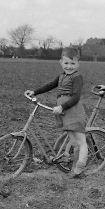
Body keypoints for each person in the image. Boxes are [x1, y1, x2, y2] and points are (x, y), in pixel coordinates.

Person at [25, 47, 87, 178]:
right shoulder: (61, 76)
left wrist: (62, 107)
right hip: (64, 112)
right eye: (66, 63)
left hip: (73, 111)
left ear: (78, 64)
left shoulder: (77, 77)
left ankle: (80, 169)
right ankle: (74, 168)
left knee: (81, 142)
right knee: (74, 144)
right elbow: (50, 85)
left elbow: (76, 97)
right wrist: (34, 92)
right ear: (60, 62)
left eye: (72, 63)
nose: (69, 67)